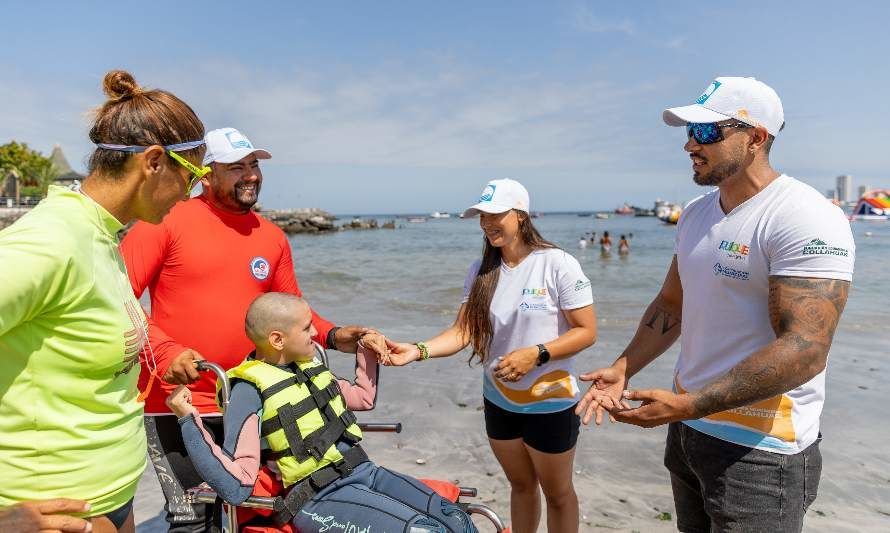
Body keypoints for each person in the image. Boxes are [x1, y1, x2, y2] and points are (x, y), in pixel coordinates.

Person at [576, 77, 855, 532]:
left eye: (706, 132)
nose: (689, 144)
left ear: (755, 139)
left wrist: (689, 405)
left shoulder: (803, 215)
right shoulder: (696, 212)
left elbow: (806, 348)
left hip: (761, 452)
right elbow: (672, 304)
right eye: (689, 132)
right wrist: (625, 367)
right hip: (689, 434)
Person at [120, 127, 385, 532]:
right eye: (235, 167)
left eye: (254, 164)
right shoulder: (164, 220)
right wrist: (166, 352)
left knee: (257, 511)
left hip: (256, 400)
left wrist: (335, 336)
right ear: (205, 174)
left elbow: (293, 311)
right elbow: (117, 298)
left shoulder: (272, 236)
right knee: (193, 519)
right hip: (183, 401)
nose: (251, 175)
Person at [0, 70, 206, 533]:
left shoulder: (100, 234)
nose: (193, 195)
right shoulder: (51, 242)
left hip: (109, 498)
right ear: (153, 162)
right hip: (47, 505)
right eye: (192, 176)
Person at [383, 178, 597, 532]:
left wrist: (537, 354)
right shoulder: (481, 271)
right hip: (499, 401)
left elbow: (586, 331)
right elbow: (463, 331)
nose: (486, 223)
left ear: (521, 216)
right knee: (521, 485)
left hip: (551, 401)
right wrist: (417, 351)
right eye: (482, 215)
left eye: (496, 214)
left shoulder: (558, 263)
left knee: (557, 494)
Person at [165, 293, 477, 532]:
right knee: (424, 530)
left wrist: (367, 348)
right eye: (307, 327)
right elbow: (236, 484)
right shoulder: (249, 389)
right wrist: (186, 418)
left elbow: (363, 398)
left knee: (457, 520)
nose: (317, 332)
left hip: (363, 471)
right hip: (316, 496)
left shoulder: (310, 367)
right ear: (278, 339)